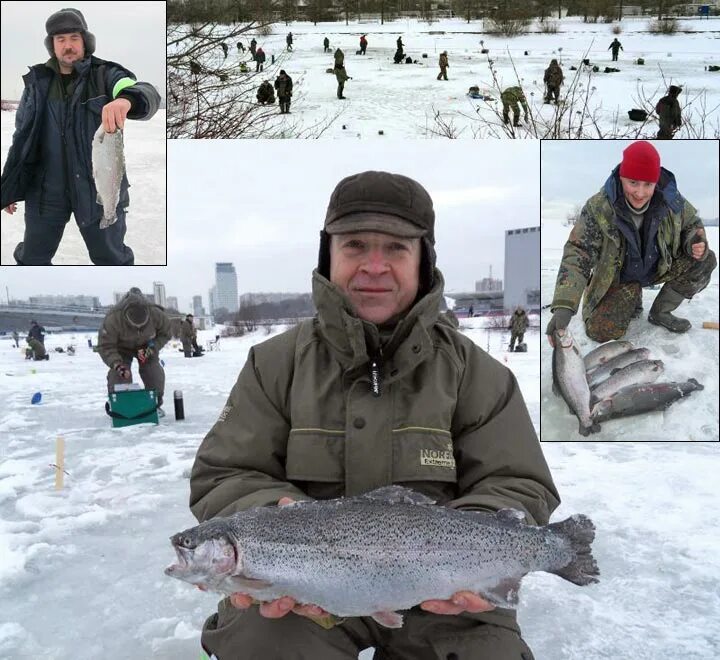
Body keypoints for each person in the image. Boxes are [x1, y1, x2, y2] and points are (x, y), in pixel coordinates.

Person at [189, 170, 559, 660]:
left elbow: (518, 482)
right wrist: (278, 520)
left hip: (441, 589)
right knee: (260, 645)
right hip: (302, 589)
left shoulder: (479, 375)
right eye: (356, 246)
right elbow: (225, 474)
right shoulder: (273, 364)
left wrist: (466, 550)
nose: (374, 266)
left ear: (424, 260)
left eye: (397, 248)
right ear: (330, 256)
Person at [0, 8, 161, 266]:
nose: (68, 46)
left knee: (112, 261)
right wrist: (9, 187)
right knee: (32, 261)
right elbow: (22, 139)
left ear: (85, 41)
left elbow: (142, 91)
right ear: (52, 45)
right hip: (44, 193)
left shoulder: (105, 74)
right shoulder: (36, 83)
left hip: (99, 190)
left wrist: (125, 100)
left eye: (74, 38)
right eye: (60, 39)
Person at [546, 141, 716, 345]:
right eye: (633, 183)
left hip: (657, 268)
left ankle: (661, 312)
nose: (640, 193)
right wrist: (565, 305)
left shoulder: (671, 199)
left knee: (705, 260)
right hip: (618, 279)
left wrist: (695, 241)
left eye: (648, 185)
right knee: (602, 332)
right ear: (621, 177)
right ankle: (630, 296)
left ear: (656, 182)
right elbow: (578, 252)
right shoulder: (598, 207)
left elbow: (692, 224)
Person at [97, 287, 172, 412]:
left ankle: (154, 403)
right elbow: (105, 345)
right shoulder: (113, 318)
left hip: (147, 345)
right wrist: (117, 364)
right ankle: (121, 404)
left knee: (153, 371)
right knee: (120, 374)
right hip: (121, 348)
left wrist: (151, 348)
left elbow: (166, 334)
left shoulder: (157, 314)